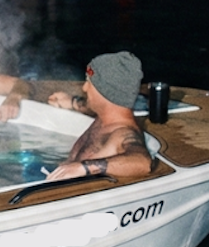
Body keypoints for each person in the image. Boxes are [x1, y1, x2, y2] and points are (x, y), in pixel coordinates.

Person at [44, 51, 155, 181]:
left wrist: (83, 168)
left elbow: (142, 162)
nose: (84, 88)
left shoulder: (122, 134)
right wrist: (73, 102)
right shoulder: (105, 116)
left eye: (89, 83)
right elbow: (94, 106)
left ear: (106, 92)